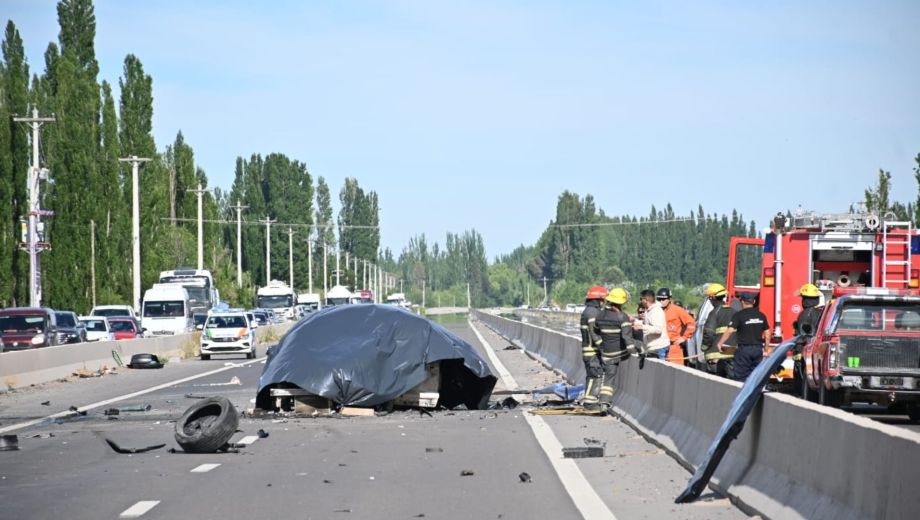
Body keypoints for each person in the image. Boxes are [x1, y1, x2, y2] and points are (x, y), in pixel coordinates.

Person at [589, 288, 643, 411]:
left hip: (605, 353)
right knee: (609, 378)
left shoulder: (600, 315)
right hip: (618, 354)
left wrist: (601, 344)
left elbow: (595, 331)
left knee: (607, 376)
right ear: (621, 303)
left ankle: (601, 400)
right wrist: (637, 348)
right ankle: (604, 402)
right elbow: (627, 338)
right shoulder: (622, 317)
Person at [716, 292, 769, 382]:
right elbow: (767, 334)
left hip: (744, 350)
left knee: (741, 377)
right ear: (754, 301)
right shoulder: (761, 315)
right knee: (756, 376)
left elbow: (730, 331)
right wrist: (766, 350)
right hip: (758, 349)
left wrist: (720, 343)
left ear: (742, 302)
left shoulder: (738, 315)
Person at [792, 283, 823, 395]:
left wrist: (797, 351)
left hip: (805, 350)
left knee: (801, 377)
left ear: (805, 300)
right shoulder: (822, 312)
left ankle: (801, 394)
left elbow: (802, 335)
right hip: (816, 350)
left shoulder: (805, 314)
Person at [579, 285, 608, 407]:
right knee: (594, 376)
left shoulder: (588, 311)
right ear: (598, 300)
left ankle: (591, 401)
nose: (603, 303)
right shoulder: (593, 313)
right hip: (593, 352)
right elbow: (595, 334)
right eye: (603, 300)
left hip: (588, 351)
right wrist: (604, 348)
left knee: (593, 375)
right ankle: (590, 403)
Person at [700, 283, 736, 378]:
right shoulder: (734, 312)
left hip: (715, 356)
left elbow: (709, 333)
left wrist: (704, 347)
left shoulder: (714, 313)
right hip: (731, 355)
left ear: (712, 298)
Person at [658, 287, 696, 364]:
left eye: (663, 299)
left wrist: (684, 337)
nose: (661, 301)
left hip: (674, 348)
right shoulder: (656, 310)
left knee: (675, 372)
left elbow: (691, 324)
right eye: (659, 299)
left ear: (670, 299)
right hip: (659, 346)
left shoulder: (678, 310)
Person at [633, 289, 669, 359]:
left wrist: (641, 327)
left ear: (645, 300)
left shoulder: (656, 311)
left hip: (659, 347)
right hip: (653, 347)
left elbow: (658, 329)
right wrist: (634, 321)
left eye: (641, 299)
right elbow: (648, 323)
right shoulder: (649, 310)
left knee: (659, 369)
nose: (640, 301)